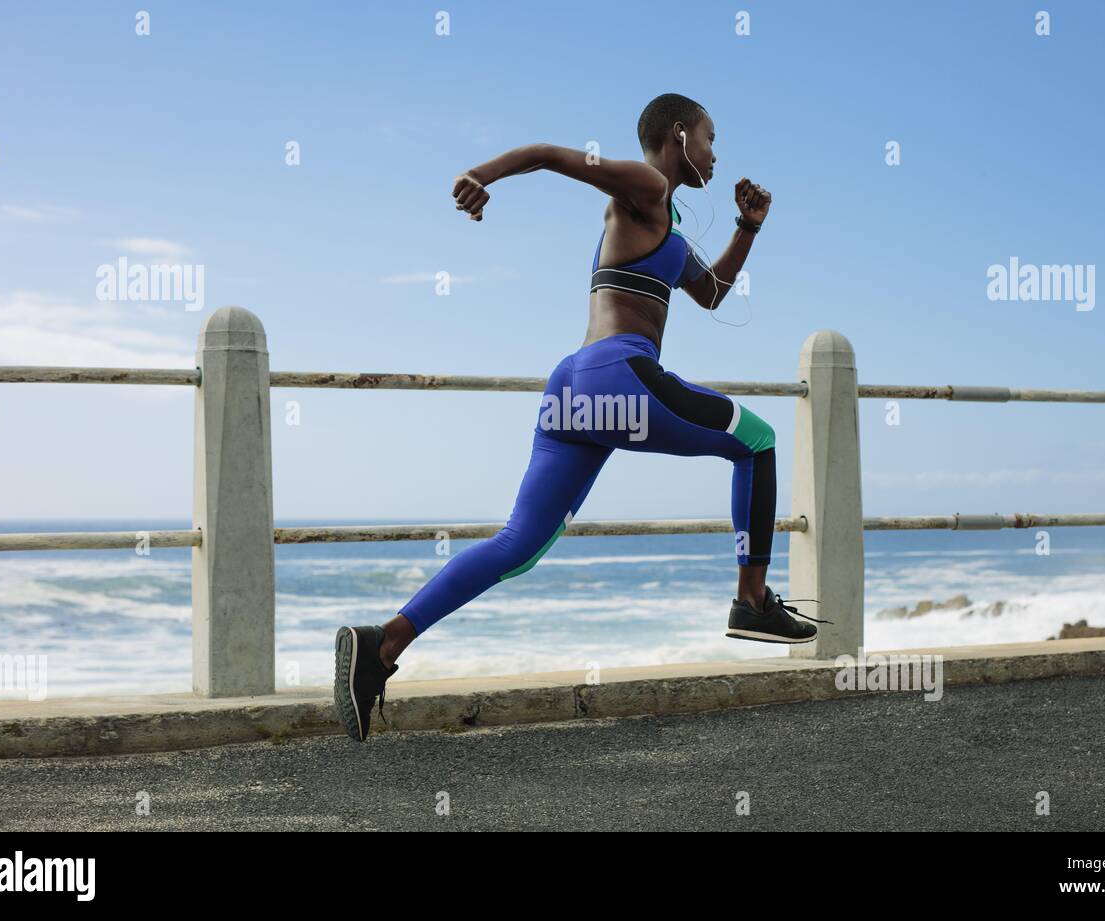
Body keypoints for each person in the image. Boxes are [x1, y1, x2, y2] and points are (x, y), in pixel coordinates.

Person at [335, 93, 825, 742]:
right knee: (756, 440)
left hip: (575, 388)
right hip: (620, 375)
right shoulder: (647, 184)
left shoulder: (665, 227)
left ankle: (383, 644)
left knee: (518, 546)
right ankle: (753, 599)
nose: (715, 153)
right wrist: (482, 174)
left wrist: (748, 226)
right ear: (678, 135)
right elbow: (548, 154)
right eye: (710, 138)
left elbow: (711, 293)